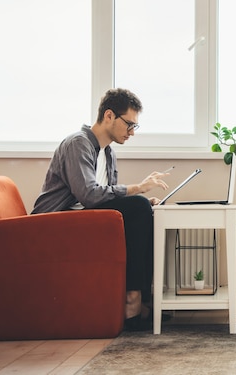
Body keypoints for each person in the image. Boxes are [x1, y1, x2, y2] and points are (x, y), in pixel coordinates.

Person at [32, 88, 169, 331]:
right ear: (108, 116)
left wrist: (141, 201)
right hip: (53, 223)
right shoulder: (78, 144)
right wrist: (137, 189)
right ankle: (132, 301)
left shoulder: (108, 153)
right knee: (137, 204)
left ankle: (145, 298)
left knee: (146, 211)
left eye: (135, 126)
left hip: (81, 218)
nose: (131, 133)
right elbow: (88, 195)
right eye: (129, 124)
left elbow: (106, 198)